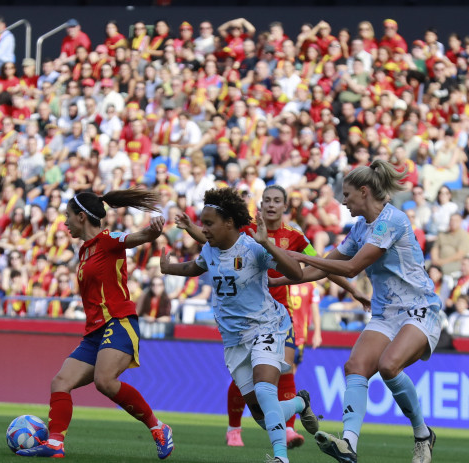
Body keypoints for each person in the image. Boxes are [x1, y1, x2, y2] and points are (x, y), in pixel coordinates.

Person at [272, 159, 441, 463]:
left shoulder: (393, 220)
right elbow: (320, 268)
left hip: (419, 309)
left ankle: (422, 434)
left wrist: (298, 255)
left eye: (347, 195)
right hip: (386, 314)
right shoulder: (361, 227)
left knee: (389, 366)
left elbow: (350, 268)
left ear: (364, 192)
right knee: (355, 367)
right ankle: (348, 444)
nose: (343, 201)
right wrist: (275, 280)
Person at [177, 185, 359, 449]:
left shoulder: (295, 237)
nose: (272, 205)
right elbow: (213, 242)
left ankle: (284, 431)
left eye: (277, 201)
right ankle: (237, 427)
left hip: (278, 315)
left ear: (285, 206)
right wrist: (188, 229)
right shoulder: (246, 229)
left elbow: (321, 264)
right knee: (250, 381)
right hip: (243, 317)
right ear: (261, 205)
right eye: (267, 200)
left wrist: (353, 290)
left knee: (281, 371)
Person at [160, 187, 320, 463]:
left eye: (208, 224)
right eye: (203, 223)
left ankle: (280, 458)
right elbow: (196, 267)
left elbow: (295, 273)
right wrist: (168, 268)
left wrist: (269, 245)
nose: (204, 229)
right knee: (261, 414)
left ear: (229, 223)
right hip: (234, 339)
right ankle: (299, 403)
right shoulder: (210, 250)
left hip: (267, 326)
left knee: (264, 388)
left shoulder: (252, 249)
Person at [16, 189, 174, 459]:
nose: (64, 222)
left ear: (81, 216)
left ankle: (158, 427)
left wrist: (152, 232)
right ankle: (55, 444)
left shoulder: (108, 239)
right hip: (94, 333)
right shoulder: (84, 251)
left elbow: (137, 237)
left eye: (67, 216)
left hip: (119, 321)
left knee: (104, 381)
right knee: (60, 382)